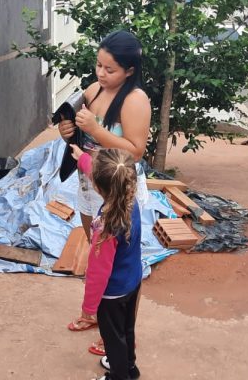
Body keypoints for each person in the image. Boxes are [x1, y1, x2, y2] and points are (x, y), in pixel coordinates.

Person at [61, 31, 150, 355]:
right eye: (98, 65)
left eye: (109, 69)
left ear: (129, 71)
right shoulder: (93, 90)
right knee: (99, 254)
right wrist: (67, 129)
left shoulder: (135, 100)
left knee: (123, 266)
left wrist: (96, 131)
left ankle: (123, 335)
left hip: (118, 190)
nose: (101, 73)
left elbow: (136, 151)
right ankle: (99, 315)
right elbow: (76, 131)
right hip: (90, 183)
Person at [73, 146, 142, 380]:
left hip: (111, 295)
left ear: (98, 188)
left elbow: (97, 273)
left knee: (113, 340)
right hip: (132, 283)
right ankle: (130, 368)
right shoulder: (130, 200)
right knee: (127, 330)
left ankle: (119, 375)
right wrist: (82, 157)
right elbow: (104, 174)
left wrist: (88, 308)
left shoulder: (105, 226)